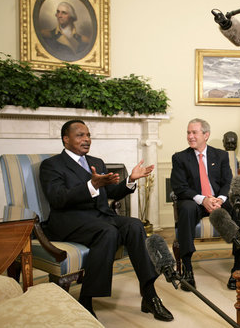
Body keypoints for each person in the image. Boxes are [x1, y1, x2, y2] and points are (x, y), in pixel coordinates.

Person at [39, 120, 173, 322]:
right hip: (69, 221)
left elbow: (111, 192)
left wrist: (130, 181)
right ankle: (87, 299)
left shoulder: (97, 162)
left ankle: (149, 294)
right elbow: (58, 199)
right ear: (66, 139)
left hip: (100, 217)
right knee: (108, 232)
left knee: (135, 225)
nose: (86, 139)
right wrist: (91, 185)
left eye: (88, 135)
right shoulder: (51, 165)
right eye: (80, 135)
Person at [170, 118, 240, 291]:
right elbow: (179, 187)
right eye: (188, 132)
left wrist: (220, 199)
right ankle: (188, 269)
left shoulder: (220, 155)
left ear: (206, 135)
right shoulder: (179, 158)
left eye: (194, 132)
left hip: (217, 200)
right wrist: (202, 199)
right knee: (185, 208)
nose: (190, 136)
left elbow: (227, 181)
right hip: (195, 202)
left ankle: (237, 266)